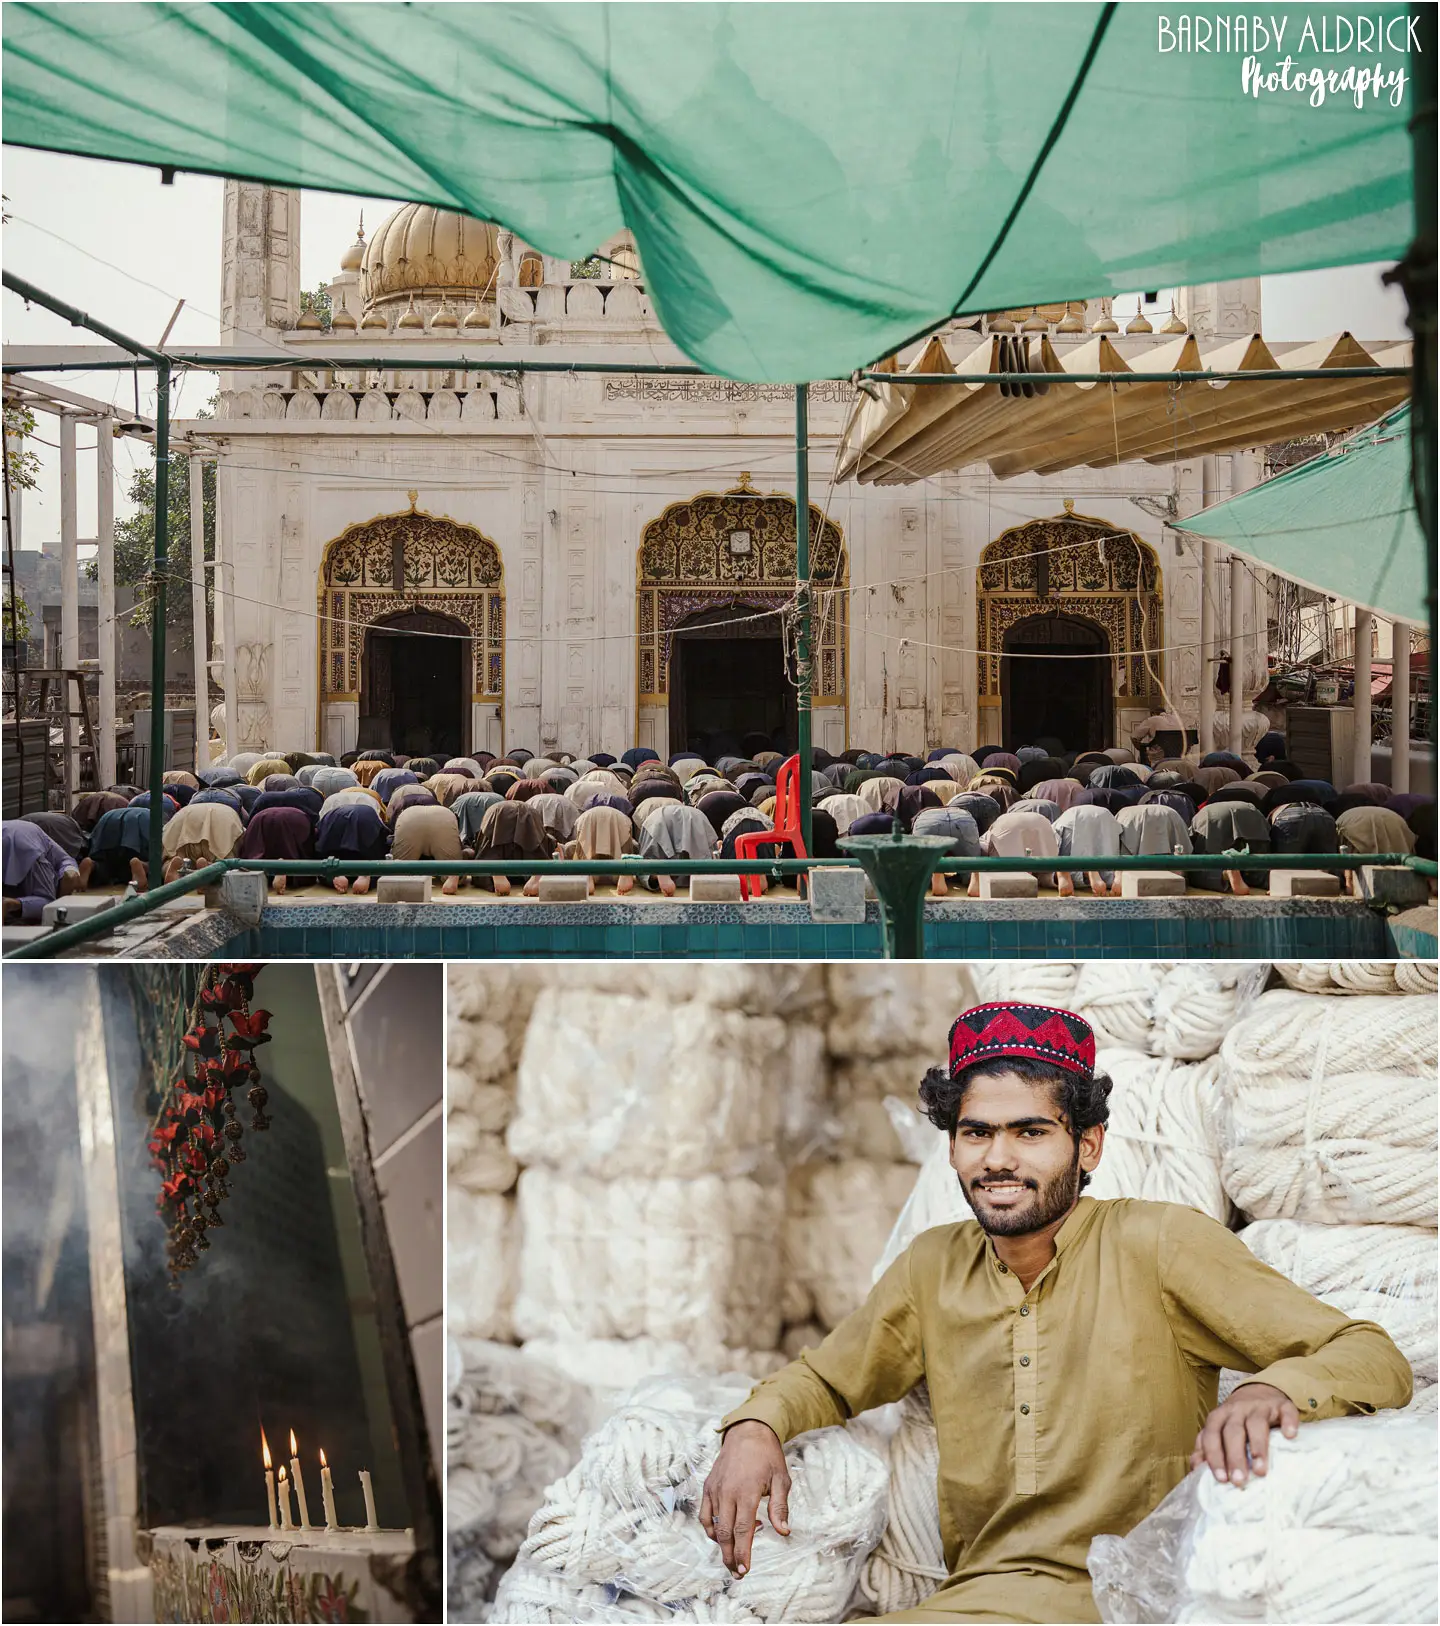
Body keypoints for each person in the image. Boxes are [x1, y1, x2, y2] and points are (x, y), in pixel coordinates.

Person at [700, 1002, 1410, 1623]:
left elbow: (1371, 1354)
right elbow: (828, 1378)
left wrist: (1268, 1388)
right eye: (977, 1133)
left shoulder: (1158, 1243)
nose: (998, 1158)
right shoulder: (933, 1267)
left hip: (1134, 1597)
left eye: (1031, 1132)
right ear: (951, 1147)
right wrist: (757, 1427)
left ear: (1088, 1144)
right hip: (981, 1596)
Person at [3, 820, 85, 923]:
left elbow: (65, 861)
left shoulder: (33, 844)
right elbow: (48, 902)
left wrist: (70, 872)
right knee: (48, 903)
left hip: (21, 843)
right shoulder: (33, 841)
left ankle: (12, 904)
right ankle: (11, 904)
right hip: (22, 843)